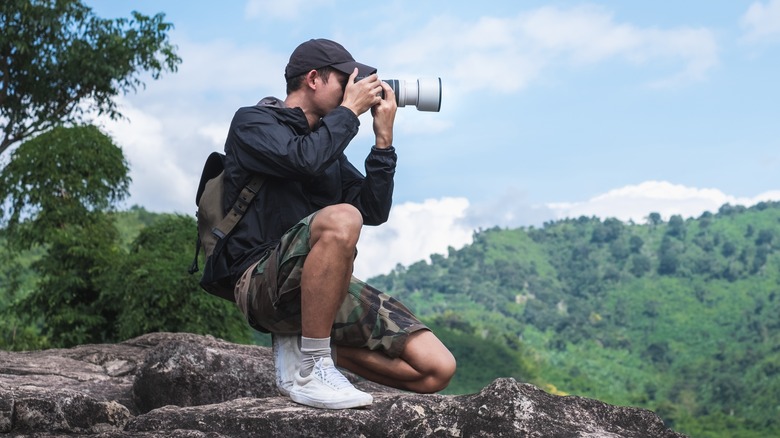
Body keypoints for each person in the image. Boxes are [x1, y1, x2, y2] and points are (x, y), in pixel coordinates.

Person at [221, 38, 456, 410]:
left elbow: (373, 210)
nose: (355, 88)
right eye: (346, 79)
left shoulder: (327, 148)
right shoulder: (254, 122)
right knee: (342, 217)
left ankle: (315, 346)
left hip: (319, 289)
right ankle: (311, 367)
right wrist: (348, 112)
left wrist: (383, 141)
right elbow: (302, 161)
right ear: (313, 79)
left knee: (436, 368)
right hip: (260, 282)